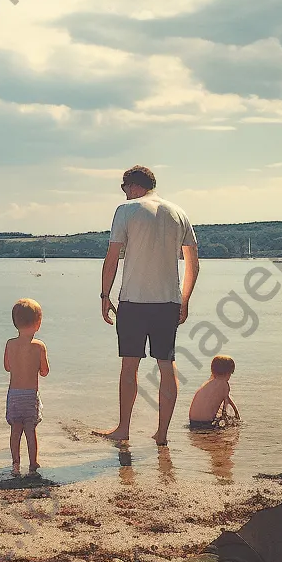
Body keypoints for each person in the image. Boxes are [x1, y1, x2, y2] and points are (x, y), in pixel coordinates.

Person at [94, 165, 200, 447]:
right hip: (168, 301)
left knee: (129, 366)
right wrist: (185, 298)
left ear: (133, 186)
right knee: (167, 365)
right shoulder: (179, 213)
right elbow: (193, 263)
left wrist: (105, 295)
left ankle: (123, 429)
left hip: (134, 300)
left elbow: (112, 256)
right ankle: (162, 434)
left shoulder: (125, 211)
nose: (125, 193)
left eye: (124, 188)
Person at [4, 298, 49, 476]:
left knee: (16, 429)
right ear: (38, 323)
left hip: (14, 395)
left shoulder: (10, 344)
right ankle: (33, 463)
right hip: (30, 395)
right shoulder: (39, 346)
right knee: (30, 430)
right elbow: (44, 371)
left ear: (15, 322)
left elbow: (7, 367)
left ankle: (15, 463)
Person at [188, 355, 239, 430]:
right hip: (206, 423)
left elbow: (229, 401)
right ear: (228, 373)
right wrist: (235, 418)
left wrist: (235, 411)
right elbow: (225, 407)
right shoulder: (224, 385)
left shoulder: (207, 384)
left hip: (193, 421)